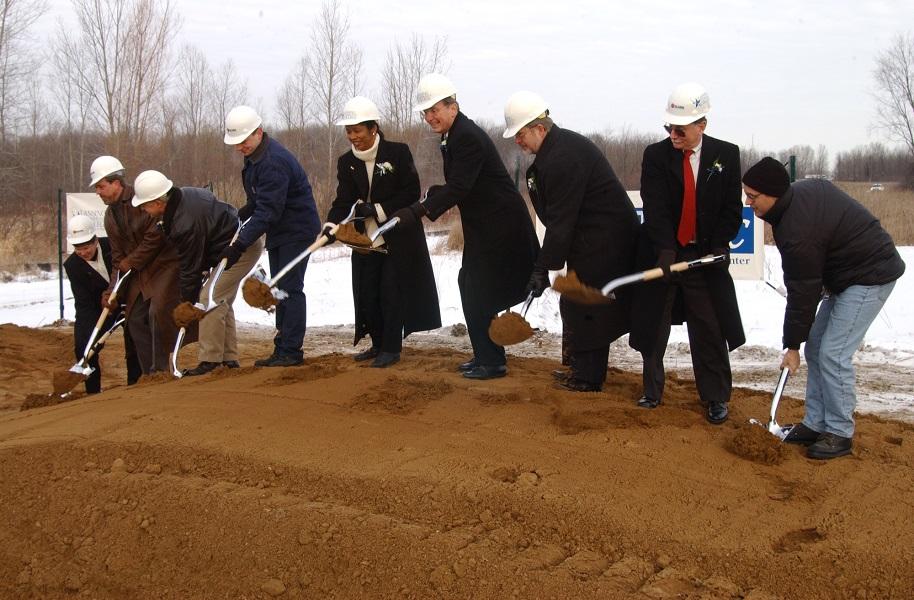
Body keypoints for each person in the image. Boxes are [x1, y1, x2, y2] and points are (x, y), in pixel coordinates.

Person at [743, 157, 905, 459]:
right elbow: (806, 284)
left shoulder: (796, 227)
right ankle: (815, 424)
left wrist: (791, 345)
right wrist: (800, 342)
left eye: (753, 196)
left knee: (833, 351)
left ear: (773, 194)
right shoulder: (793, 205)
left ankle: (840, 432)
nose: (748, 202)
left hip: (870, 274)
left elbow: (803, 291)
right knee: (816, 347)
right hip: (845, 276)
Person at [387, 73, 538, 380]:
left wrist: (417, 211)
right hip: (484, 225)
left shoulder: (465, 136)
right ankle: (486, 354)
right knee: (468, 282)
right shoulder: (452, 136)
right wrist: (436, 192)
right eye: (426, 112)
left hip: (502, 225)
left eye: (435, 110)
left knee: (477, 287)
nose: (430, 117)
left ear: (452, 107)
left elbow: (460, 187)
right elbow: (464, 182)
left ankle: (492, 361)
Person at [503, 91, 639, 392]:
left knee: (585, 303)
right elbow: (559, 221)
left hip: (607, 239)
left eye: (521, 133)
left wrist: (542, 269)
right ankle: (581, 369)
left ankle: (588, 378)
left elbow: (561, 222)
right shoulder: (555, 152)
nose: (518, 141)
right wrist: (547, 265)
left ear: (540, 128)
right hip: (589, 238)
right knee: (575, 302)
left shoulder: (563, 157)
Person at [629, 82, 745, 424]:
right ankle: (651, 391)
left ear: (702, 125)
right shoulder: (656, 155)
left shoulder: (726, 154)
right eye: (669, 127)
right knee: (654, 322)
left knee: (709, 327)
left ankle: (715, 397)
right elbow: (656, 206)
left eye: (680, 128)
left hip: (704, 257)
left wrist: (721, 244)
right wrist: (665, 250)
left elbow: (730, 210)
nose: (673, 134)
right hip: (665, 253)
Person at [323, 96, 441, 368]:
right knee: (368, 294)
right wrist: (332, 224)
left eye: (358, 131)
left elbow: (411, 192)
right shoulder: (346, 162)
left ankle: (391, 348)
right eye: (349, 131)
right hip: (365, 241)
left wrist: (376, 209)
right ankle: (377, 343)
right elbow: (343, 200)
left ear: (373, 128)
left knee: (391, 292)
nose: (353, 137)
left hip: (396, 237)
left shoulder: (397, 153)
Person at [130, 170, 264, 376]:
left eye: (145, 205)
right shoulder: (182, 196)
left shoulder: (184, 222)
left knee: (209, 297)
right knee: (220, 299)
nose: (144, 210)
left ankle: (210, 360)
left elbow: (190, 266)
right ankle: (228, 359)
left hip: (241, 248)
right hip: (231, 245)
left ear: (158, 202)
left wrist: (188, 301)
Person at [220, 106, 321, 367]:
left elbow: (269, 211)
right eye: (236, 143)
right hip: (281, 231)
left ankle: (291, 350)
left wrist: (240, 244)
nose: (240, 147)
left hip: (297, 230)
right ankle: (282, 346)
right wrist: (247, 208)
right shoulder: (255, 157)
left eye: (243, 141)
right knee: (278, 287)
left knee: (291, 288)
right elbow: (261, 199)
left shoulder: (272, 162)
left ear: (258, 133)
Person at [91, 155, 184, 375]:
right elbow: (116, 258)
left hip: (164, 266)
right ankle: (152, 373)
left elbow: (155, 238)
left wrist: (129, 262)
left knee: (156, 312)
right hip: (139, 273)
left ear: (116, 183)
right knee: (134, 320)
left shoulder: (142, 198)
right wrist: (112, 290)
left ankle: (164, 367)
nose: (98, 192)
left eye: (100, 186)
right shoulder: (109, 217)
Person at [63, 215, 141, 393]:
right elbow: (82, 301)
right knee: (84, 343)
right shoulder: (72, 266)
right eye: (78, 249)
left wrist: (124, 301)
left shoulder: (112, 246)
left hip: (130, 299)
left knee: (135, 339)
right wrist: (87, 333)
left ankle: (136, 384)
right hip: (100, 307)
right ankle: (92, 391)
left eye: (86, 247)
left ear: (95, 240)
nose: (83, 252)